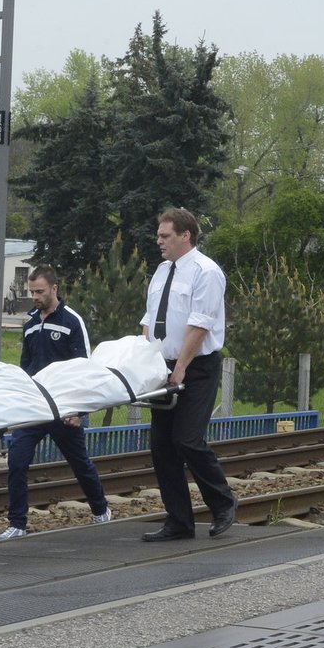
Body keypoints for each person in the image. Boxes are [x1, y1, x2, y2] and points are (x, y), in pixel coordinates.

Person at [139, 207, 238, 542]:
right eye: (158, 236)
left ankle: (223, 502)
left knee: (187, 439)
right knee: (162, 446)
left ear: (186, 235)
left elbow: (199, 325)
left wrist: (180, 368)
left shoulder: (206, 272)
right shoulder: (163, 271)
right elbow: (150, 319)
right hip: (163, 367)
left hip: (195, 367)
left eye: (165, 236)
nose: (159, 242)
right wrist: (144, 360)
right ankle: (179, 521)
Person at [0, 265, 110, 539]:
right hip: (34, 408)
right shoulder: (30, 324)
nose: (35, 297)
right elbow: (25, 368)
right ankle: (17, 524)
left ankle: (101, 510)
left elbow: (84, 367)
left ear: (54, 289)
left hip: (64, 408)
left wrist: (80, 409)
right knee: (17, 461)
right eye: (32, 292)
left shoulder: (72, 321)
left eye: (39, 292)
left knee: (79, 463)